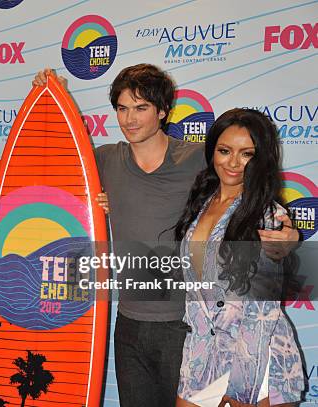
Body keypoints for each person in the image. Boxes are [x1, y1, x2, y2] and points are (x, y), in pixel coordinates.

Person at [33, 65, 299, 406]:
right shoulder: (102, 160)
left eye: (141, 107)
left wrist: (287, 239)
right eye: (122, 108)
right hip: (128, 321)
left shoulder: (199, 162)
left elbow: (252, 202)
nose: (130, 119)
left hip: (187, 326)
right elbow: (48, 163)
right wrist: (52, 94)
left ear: (163, 111)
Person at [174, 108, 304, 407]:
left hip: (257, 361)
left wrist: (241, 389)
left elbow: (261, 312)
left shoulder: (267, 216)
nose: (233, 163)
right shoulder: (202, 202)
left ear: (260, 160)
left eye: (247, 154)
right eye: (224, 150)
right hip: (202, 354)